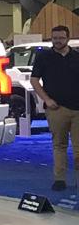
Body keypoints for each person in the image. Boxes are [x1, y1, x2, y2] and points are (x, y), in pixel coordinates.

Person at [30, 26, 79, 190]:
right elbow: (34, 80)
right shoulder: (44, 57)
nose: (57, 41)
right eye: (55, 38)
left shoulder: (77, 57)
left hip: (78, 109)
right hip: (56, 109)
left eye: (61, 38)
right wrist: (46, 99)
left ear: (68, 38)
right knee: (59, 145)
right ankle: (59, 179)